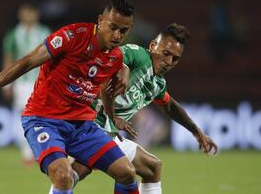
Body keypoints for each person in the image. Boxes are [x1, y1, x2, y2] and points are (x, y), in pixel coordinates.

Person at [0, 0, 141, 194]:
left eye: (123, 30)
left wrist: (111, 116)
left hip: (81, 125)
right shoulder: (73, 36)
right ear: (100, 20)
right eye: (113, 27)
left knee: (126, 172)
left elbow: (104, 91)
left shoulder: (115, 58)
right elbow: (28, 61)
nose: (117, 35)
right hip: (44, 119)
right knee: (63, 176)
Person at [50, 23, 218, 194]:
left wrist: (196, 131)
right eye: (166, 54)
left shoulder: (157, 83)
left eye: (175, 59)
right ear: (153, 45)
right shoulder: (138, 55)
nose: (168, 62)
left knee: (151, 167)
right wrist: (123, 67)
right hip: (88, 125)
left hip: (108, 131)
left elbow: (169, 106)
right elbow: (111, 58)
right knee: (73, 173)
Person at [2, 3, 50, 164]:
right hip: (21, 83)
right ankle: (27, 153)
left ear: (36, 14)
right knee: (24, 116)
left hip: (41, 81)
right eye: (24, 12)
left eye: (31, 12)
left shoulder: (45, 32)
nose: (27, 15)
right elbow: (9, 58)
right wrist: (7, 84)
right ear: (20, 15)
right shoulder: (13, 34)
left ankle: (41, 149)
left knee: (42, 116)